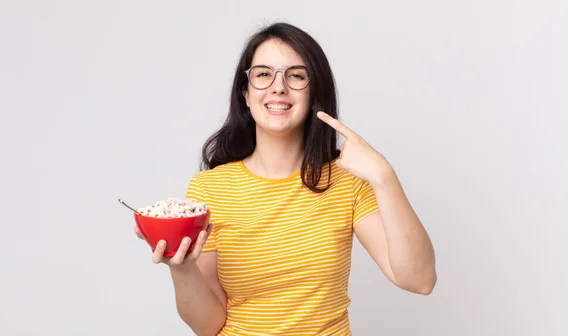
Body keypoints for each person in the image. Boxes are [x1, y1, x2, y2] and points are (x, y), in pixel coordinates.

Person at [134, 22, 437, 336]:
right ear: (245, 94)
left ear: (314, 94)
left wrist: (384, 176)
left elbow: (420, 280)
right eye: (263, 74)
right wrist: (182, 269)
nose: (278, 87)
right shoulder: (210, 188)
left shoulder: (348, 182)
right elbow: (209, 326)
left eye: (295, 75)